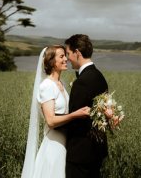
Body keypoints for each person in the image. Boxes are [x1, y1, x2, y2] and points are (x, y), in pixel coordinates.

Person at [21, 45, 91, 178]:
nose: (66, 59)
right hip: (54, 147)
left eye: (65, 55)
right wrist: (75, 115)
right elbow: (51, 121)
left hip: (65, 146)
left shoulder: (61, 84)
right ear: (51, 61)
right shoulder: (47, 86)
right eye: (61, 56)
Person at [64, 34, 109, 178]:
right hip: (97, 150)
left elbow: (74, 119)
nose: (67, 58)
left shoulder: (82, 81)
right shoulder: (99, 76)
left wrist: (52, 122)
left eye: (68, 54)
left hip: (80, 153)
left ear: (77, 53)